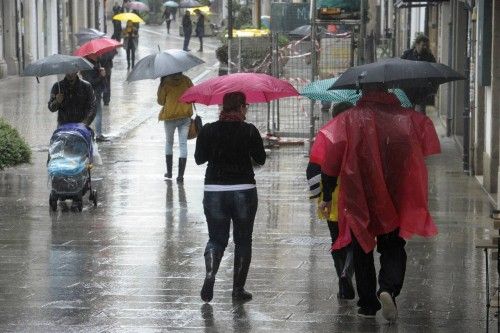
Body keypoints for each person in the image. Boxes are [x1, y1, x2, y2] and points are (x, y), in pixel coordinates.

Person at [310, 84, 441, 322]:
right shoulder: (404, 118)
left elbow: (331, 162)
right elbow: (417, 152)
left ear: (364, 91)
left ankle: (368, 304)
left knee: (362, 247)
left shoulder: (348, 119)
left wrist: (327, 195)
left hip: (359, 193)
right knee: (393, 246)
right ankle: (387, 289)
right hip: (395, 194)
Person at [195, 92, 266, 303]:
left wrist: (203, 136)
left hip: (215, 190)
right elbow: (260, 159)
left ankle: (210, 273)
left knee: (216, 239)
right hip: (244, 190)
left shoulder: (209, 130)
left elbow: (200, 159)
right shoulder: (249, 130)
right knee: (243, 240)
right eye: (247, 107)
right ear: (241, 107)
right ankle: (238, 290)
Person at [306, 102, 355, 301]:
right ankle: (347, 273)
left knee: (336, 240)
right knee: (355, 240)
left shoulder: (326, 135)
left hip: (331, 195)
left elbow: (313, 168)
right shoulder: (359, 134)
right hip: (354, 195)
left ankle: (342, 282)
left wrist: (319, 194)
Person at [157, 72, 194, 182]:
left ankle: (169, 172)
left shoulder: (165, 82)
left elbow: (160, 101)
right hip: (185, 116)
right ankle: (181, 176)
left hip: (170, 117)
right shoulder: (186, 80)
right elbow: (193, 95)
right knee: (183, 144)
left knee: (169, 142)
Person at [401, 34, 437, 115]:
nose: (425, 47)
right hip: (408, 90)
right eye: (423, 45)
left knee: (420, 115)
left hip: (421, 92)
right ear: (416, 44)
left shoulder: (429, 57)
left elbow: (434, 73)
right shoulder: (407, 55)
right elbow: (400, 68)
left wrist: (431, 89)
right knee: (407, 114)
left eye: (426, 45)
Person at [81, 59, 107, 141]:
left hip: (94, 93)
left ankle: (88, 133)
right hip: (93, 93)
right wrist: (101, 76)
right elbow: (91, 82)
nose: (99, 56)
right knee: (97, 114)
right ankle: (98, 135)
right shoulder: (89, 67)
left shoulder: (95, 64)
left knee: (90, 114)